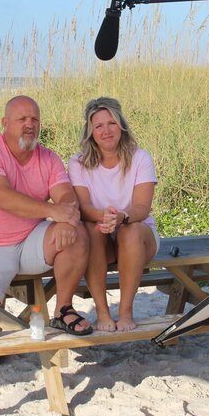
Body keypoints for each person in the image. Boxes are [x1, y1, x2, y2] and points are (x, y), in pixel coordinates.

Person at [0, 95, 92, 416]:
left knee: (78, 235)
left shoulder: (47, 157)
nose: (29, 125)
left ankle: (63, 309)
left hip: (30, 241)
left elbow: (66, 197)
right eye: (21, 119)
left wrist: (64, 217)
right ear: (4, 124)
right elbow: (1, 195)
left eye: (34, 119)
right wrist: (51, 212)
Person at [67, 97, 160, 332]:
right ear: (90, 132)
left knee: (130, 230)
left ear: (122, 126)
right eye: (98, 126)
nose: (106, 131)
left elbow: (142, 208)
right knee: (90, 228)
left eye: (111, 123)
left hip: (138, 234)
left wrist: (122, 217)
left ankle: (126, 311)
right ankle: (102, 311)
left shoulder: (140, 158)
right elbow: (83, 206)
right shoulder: (78, 163)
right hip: (101, 234)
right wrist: (103, 217)